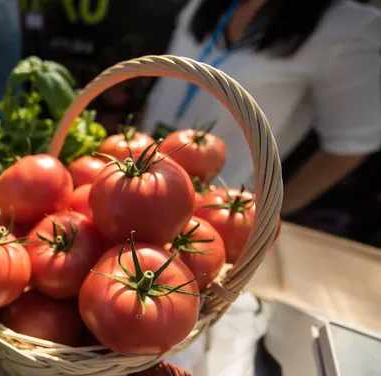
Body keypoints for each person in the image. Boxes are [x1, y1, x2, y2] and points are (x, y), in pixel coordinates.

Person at [142, 0, 381, 215]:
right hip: (136, 183)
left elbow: (353, 143)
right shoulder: (205, 6)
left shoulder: (347, 28)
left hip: (213, 214)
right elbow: (164, 89)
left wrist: (272, 213)